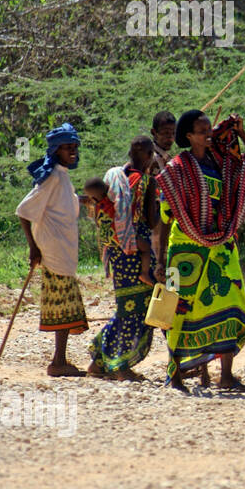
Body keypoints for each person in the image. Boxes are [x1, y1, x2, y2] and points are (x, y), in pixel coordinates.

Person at [153, 110, 245, 393]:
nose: (208, 134)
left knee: (231, 303)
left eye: (209, 130)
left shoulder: (223, 163)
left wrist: (241, 133)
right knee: (177, 311)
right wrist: (159, 261)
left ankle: (226, 375)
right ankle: (176, 374)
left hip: (221, 247)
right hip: (184, 250)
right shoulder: (177, 168)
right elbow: (165, 218)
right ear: (189, 136)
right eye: (202, 131)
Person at [15, 123, 89, 377]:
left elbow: (65, 206)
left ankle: (60, 359)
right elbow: (24, 211)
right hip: (53, 252)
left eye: (75, 147)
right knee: (63, 305)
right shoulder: (53, 178)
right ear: (56, 150)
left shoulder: (63, 177)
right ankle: (58, 361)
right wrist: (33, 248)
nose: (72, 151)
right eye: (68, 147)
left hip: (63, 252)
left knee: (65, 305)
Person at [84, 137, 159, 381]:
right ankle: (120, 365)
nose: (152, 157)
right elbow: (151, 219)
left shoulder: (114, 178)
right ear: (145, 153)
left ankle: (100, 361)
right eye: (151, 153)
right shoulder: (145, 181)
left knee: (126, 306)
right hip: (136, 251)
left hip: (117, 251)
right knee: (137, 309)